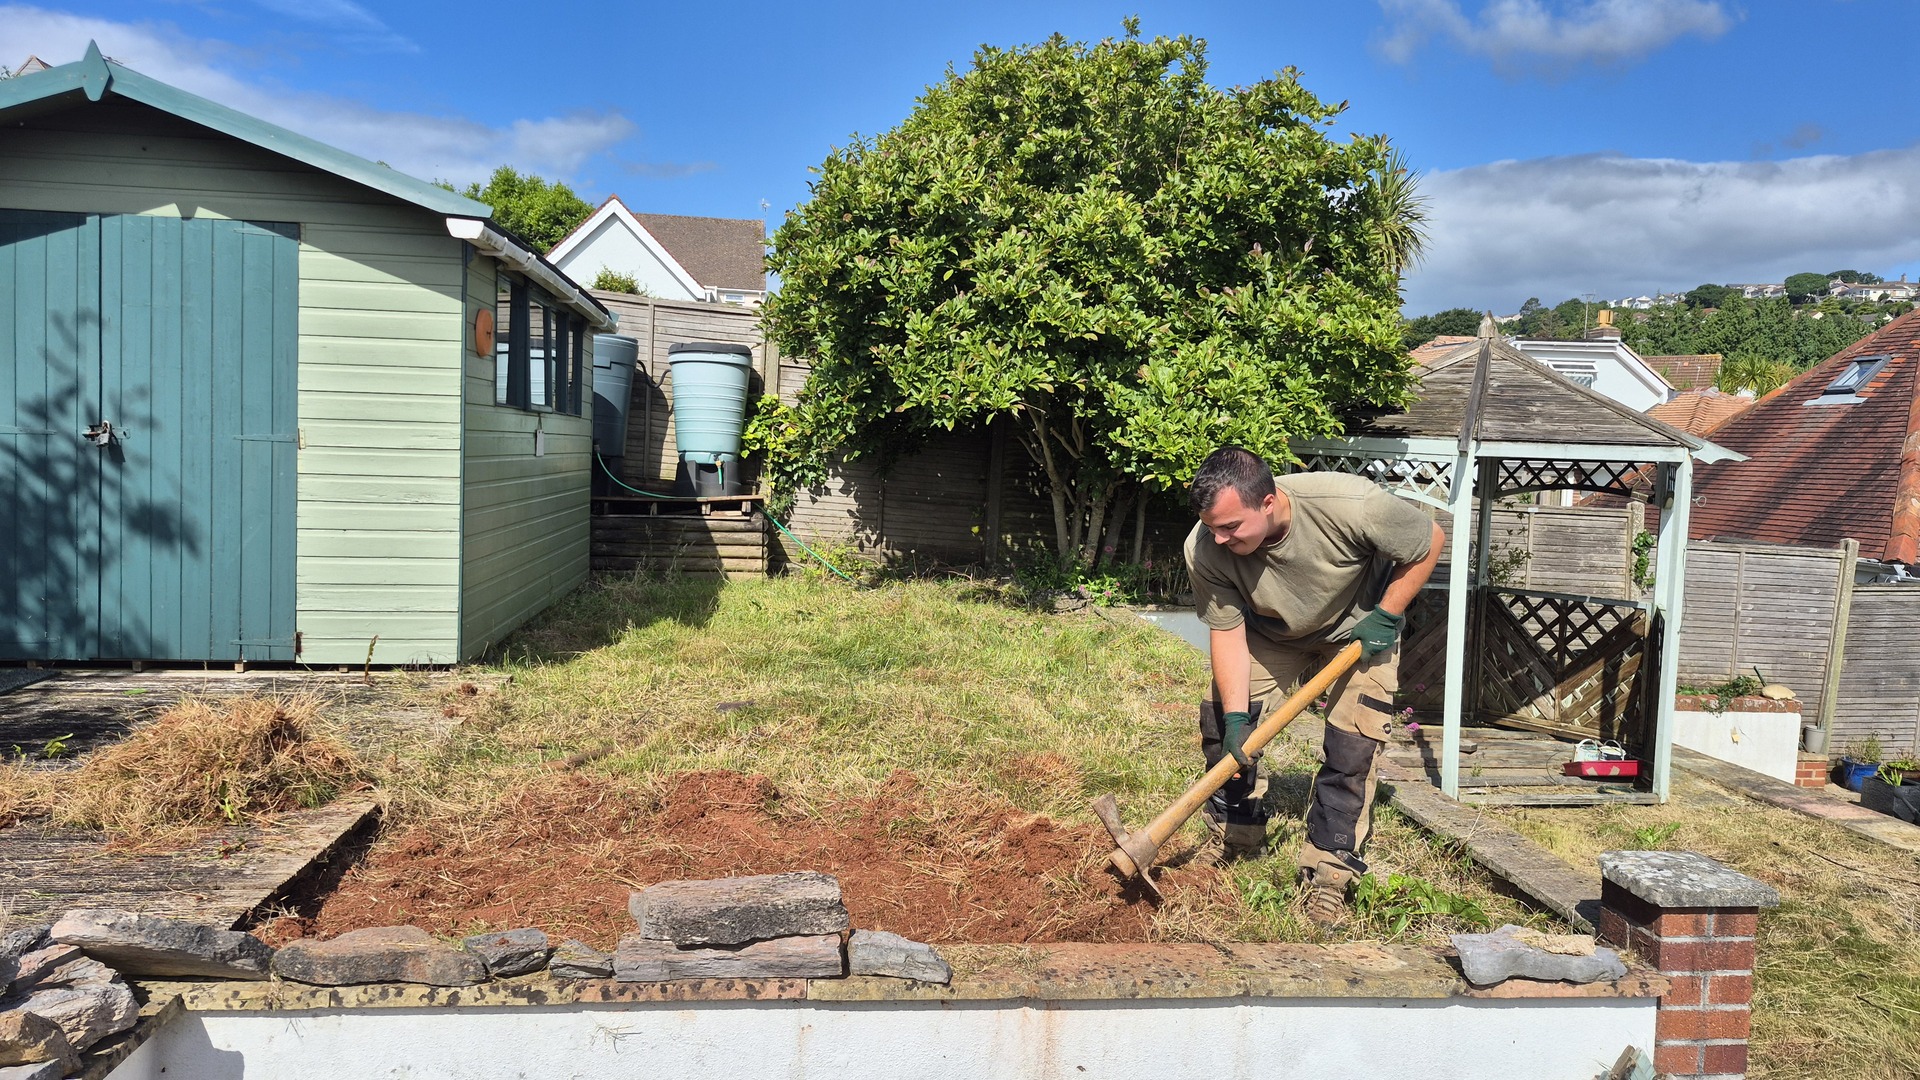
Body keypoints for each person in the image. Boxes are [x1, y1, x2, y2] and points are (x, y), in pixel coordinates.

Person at [1183, 446, 1444, 928]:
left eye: (1231, 527)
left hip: (1360, 632)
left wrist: (1386, 615)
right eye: (1212, 527)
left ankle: (1329, 874)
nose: (1218, 538)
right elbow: (1226, 632)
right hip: (1271, 631)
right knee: (1225, 727)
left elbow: (1428, 539)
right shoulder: (1204, 546)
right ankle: (1234, 836)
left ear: (1268, 501)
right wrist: (1240, 718)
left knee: (1353, 746)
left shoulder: (1348, 505)